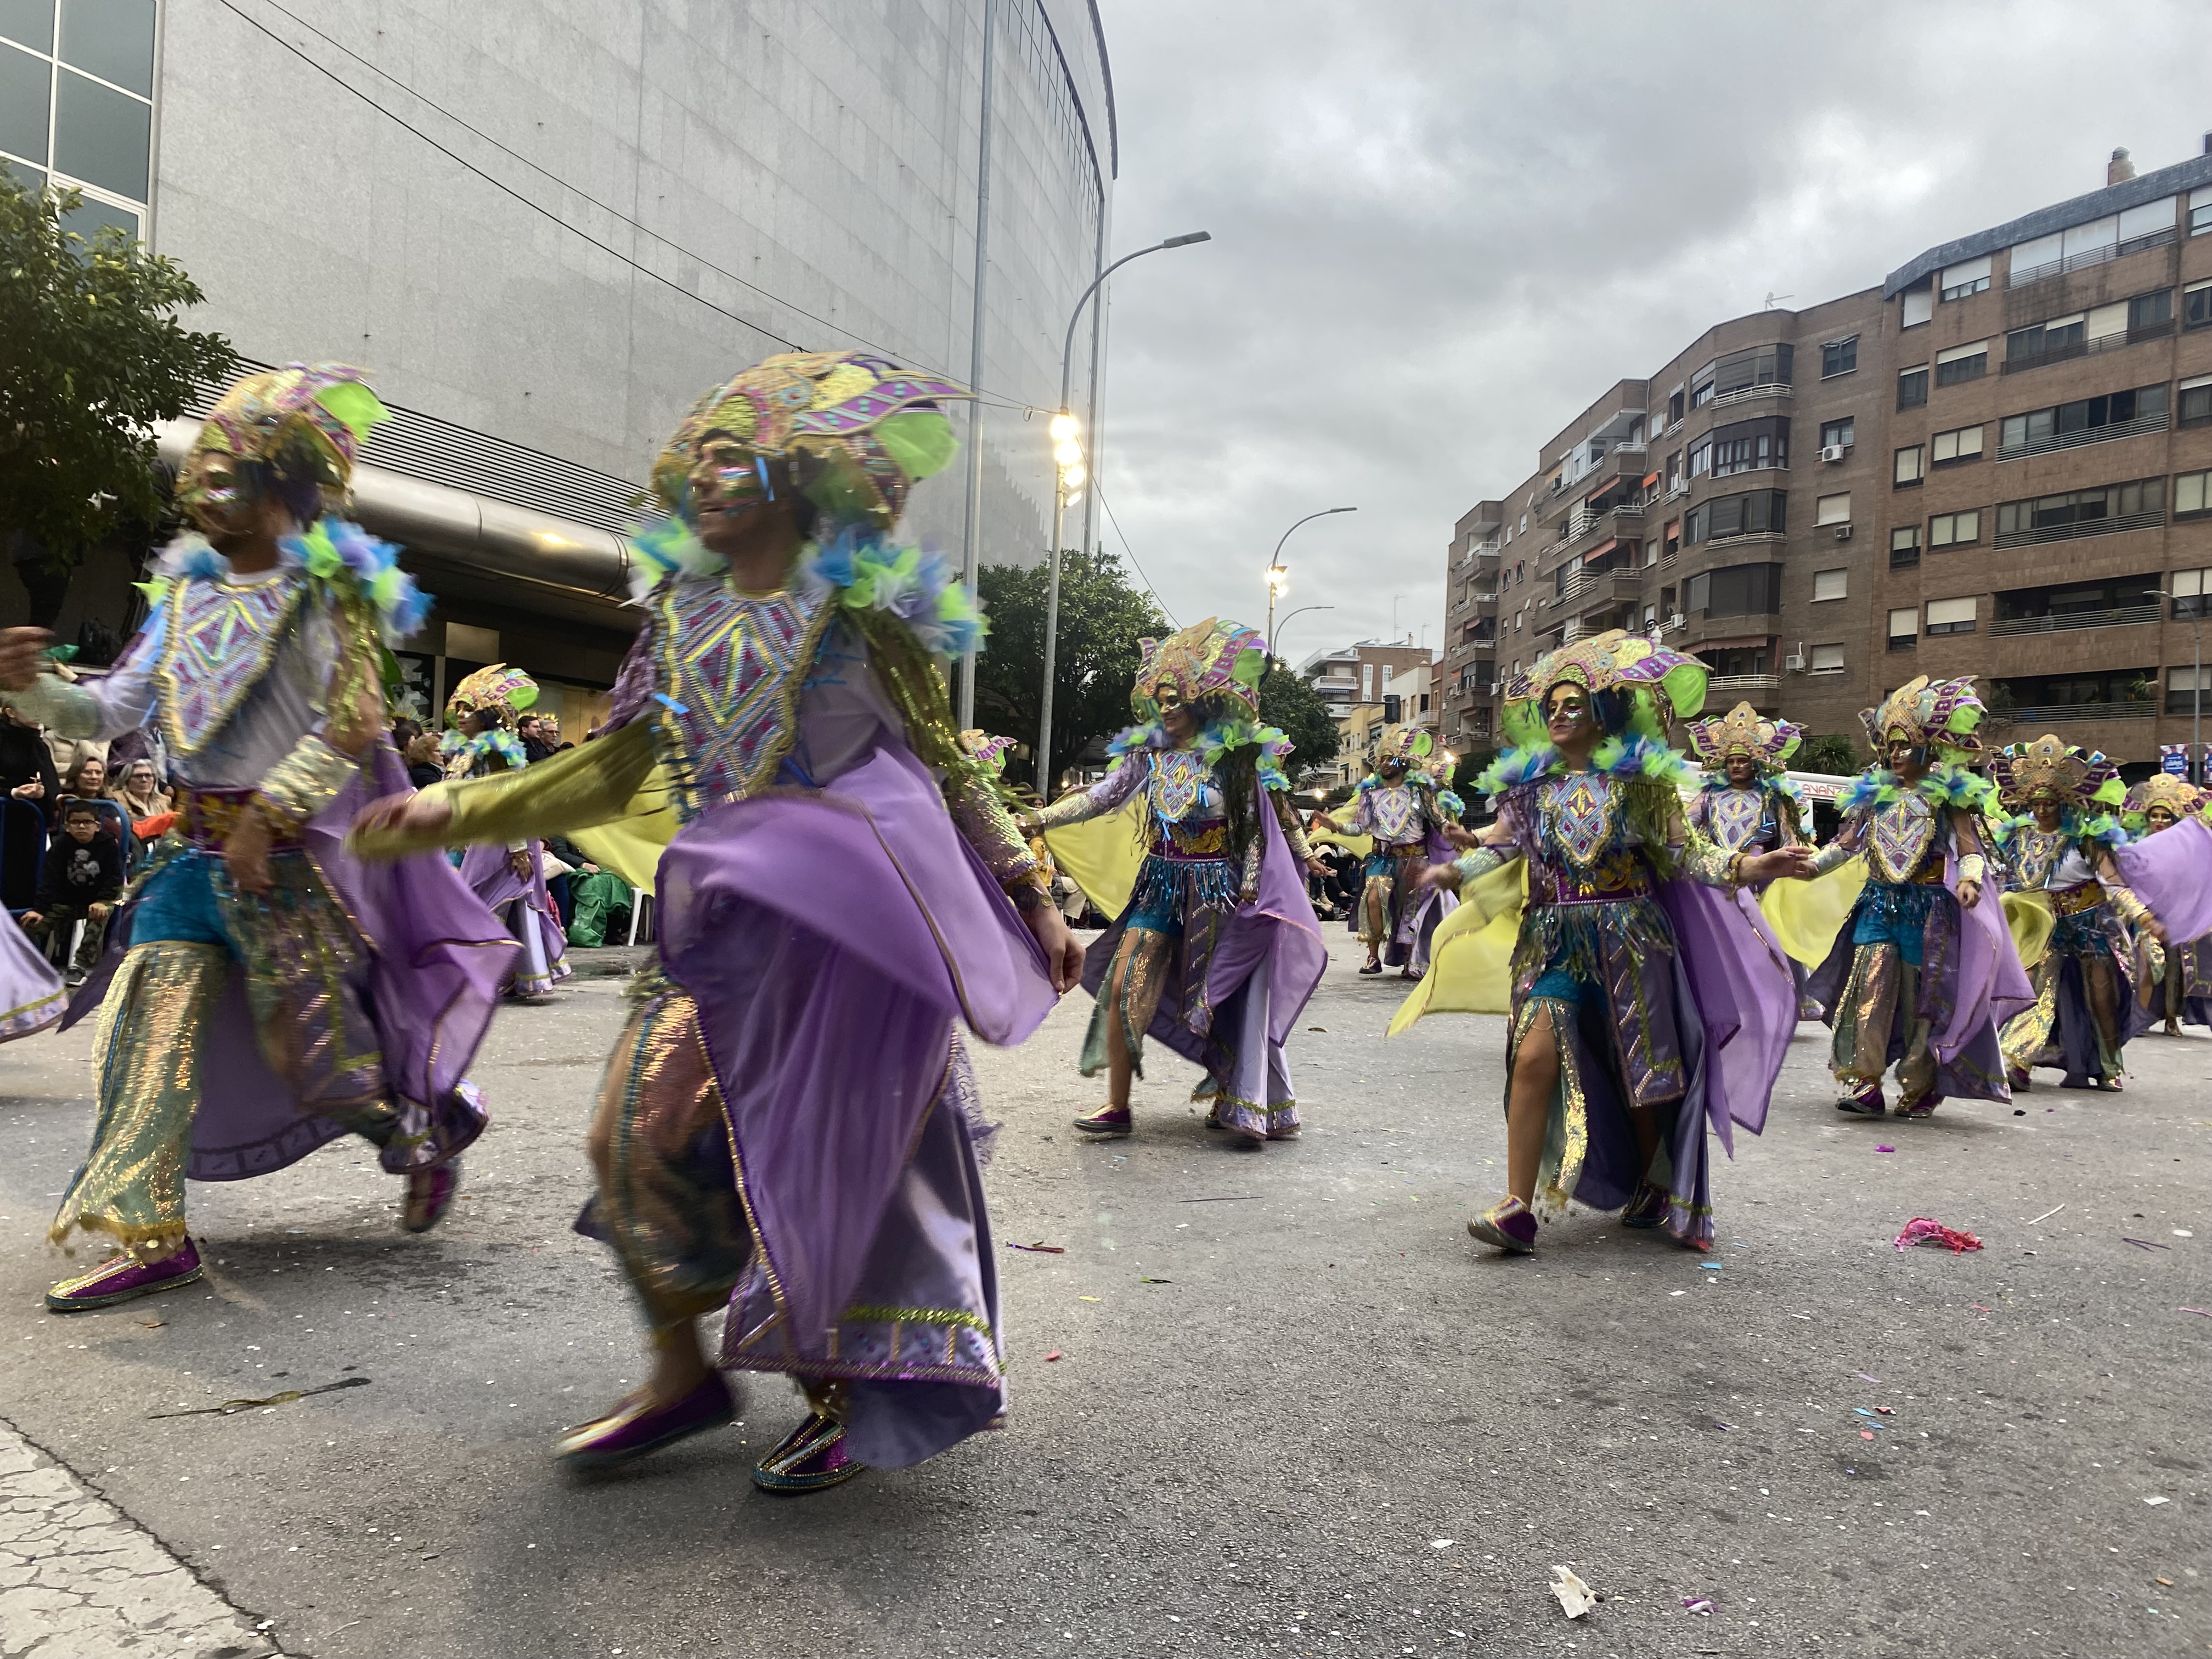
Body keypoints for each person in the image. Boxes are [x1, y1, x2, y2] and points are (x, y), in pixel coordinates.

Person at [351, 348, 1077, 1492]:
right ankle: (679, 1372)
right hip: (716, 937)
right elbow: (609, 771)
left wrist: (1031, 895)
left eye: (735, 458)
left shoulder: (857, 618)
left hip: (845, 952)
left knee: (828, 1159)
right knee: (624, 1138)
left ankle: (841, 1384)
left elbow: (945, 770)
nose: (708, 476)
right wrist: (452, 809)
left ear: (793, 479)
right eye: (697, 459)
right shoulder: (677, 625)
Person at [0, 362, 512, 1312]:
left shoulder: (331, 595)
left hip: (289, 870)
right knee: (146, 1033)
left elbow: (354, 722)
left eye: (225, 468)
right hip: (194, 862)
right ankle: (151, 1231)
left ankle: (426, 1124)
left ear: (284, 483)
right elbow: (114, 704)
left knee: (321, 1064)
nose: (200, 486)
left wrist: (274, 816)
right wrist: (33, 687)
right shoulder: (183, 600)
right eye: (200, 467)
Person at [1403, 630, 1804, 1254]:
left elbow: (1685, 853)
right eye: (1553, 707)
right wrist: (1453, 868)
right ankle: (1516, 1207)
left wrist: (1753, 868)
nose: (1559, 717)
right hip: (1553, 938)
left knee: (1641, 1075)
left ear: (1603, 713)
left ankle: (1657, 1183)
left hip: (1632, 938)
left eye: (1574, 705)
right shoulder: (1529, 790)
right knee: (1533, 1056)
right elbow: (1503, 848)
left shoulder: (1643, 785)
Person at [1024, 618, 1328, 1144]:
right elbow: (1102, 796)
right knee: (1124, 984)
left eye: (1178, 699)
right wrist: (1041, 819)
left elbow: (1255, 830)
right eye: (1161, 699)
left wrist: (1255, 886)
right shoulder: (1149, 754)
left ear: (1202, 700)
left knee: (1219, 997)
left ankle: (1240, 1092)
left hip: (1219, 892)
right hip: (1161, 883)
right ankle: (1118, 1106)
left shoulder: (1234, 758)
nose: (1167, 708)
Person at [1802, 677, 2032, 1120]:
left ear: (1927, 748)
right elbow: (1849, 843)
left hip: (1929, 911)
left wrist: (1970, 881)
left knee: (1922, 1002)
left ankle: (1920, 1082)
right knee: (1868, 985)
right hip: (1879, 904)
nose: (1894, 756)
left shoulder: (1950, 795)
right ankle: (1863, 1081)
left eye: (1904, 747)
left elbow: (1968, 846)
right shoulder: (1874, 795)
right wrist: (1809, 866)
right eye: (1890, 748)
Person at [1989, 737, 2159, 1091]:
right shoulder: (2018, 837)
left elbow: (2112, 881)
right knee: (2032, 989)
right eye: (2036, 803)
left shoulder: (2085, 836)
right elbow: (2004, 877)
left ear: (2064, 802)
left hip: (2090, 924)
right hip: (2042, 926)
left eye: (2050, 803)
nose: (2042, 810)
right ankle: (2018, 1062)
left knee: (2102, 997)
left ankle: (2107, 1067)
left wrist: (2142, 916)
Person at [1683, 700, 1821, 1018]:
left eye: (1742, 760)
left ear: (1755, 763)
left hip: (1764, 881)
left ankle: (1772, 1001)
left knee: (1764, 942)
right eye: (1730, 761)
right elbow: (1686, 830)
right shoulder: (1709, 796)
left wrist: (1797, 866)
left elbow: (1789, 838)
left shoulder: (1773, 796)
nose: (1735, 766)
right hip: (1719, 878)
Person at [440, 665, 569, 1003]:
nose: (463, 716)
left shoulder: (498, 750)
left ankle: (492, 973)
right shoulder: (465, 751)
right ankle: (507, 973)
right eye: (459, 710)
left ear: (486, 715)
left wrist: (517, 849)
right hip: (480, 837)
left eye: (470, 710)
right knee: (487, 902)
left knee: (489, 899)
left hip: (503, 837)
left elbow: (509, 801)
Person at [1315, 729, 1461, 978]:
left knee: (1410, 908)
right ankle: (1373, 957)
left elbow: (1437, 821)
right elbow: (1361, 827)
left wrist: (1457, 834)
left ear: (1403, 763)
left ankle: (1410, 960)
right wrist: (1336, 826)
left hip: (1416, 858)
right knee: (1373, 899)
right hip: (1383, 858)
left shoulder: (1419, 791)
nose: (1384, 764)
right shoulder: (1370, 794)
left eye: (1390, 759)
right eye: (1381, 759)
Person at [2121, 775, 2212, 1034]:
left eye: (2166, 817)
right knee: (2147, 965)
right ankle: (2137, 1018)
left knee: (2178, 968)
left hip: (2177, 917)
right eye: (2155, 816)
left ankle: (2172, 1017)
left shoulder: (2187, 849)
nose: (2160, 821)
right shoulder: (2137, 847)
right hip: (2143, 917)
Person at [22, 799, 124, 980]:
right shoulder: (61, 845)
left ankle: (80, 967)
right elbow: (50, 880)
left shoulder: (108, 844)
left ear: (97, 825)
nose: (82, 827)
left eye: (87, 822)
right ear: (67, 826)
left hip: (106, 899)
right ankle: (19, 963)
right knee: (33, 924)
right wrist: (39, 910)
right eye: (75, 823)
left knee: (98, 916)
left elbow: (114, 878)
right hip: (68, 900)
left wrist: (102, 900)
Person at [107, 758, 171, 832]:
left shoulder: (163, 801)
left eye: (148, 775)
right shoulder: (118, 801)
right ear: (128, 781)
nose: (144, 780)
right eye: (138, 776)